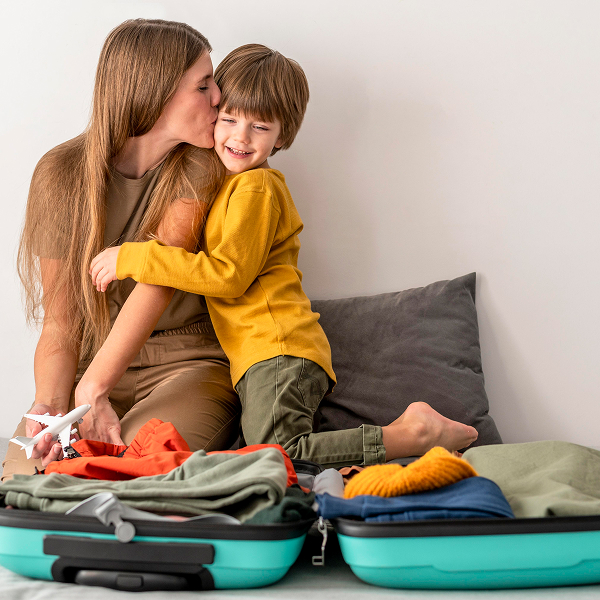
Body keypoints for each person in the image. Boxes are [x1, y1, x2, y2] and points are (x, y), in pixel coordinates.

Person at [89, 44, 479, 469]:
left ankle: (413, 433)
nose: (240, 137)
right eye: (229, 120)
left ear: (283, 135)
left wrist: (133, 258)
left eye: (259, 126)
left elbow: (227, 275)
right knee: (274, 448)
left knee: (278, 454)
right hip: (263, 354)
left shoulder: (258, 188)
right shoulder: (231, 187)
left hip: (276, 349)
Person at [1, 19, 241, 480]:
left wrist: (93, 388)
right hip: (93, 367)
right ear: (155, 91)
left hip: (186, 363)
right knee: (24, 476)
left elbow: (157, 280)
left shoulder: (201, 163)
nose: (219, 99)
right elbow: (62, 319)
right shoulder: (60, 174)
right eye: (204, 86)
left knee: (127, 466)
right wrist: (51, 407)